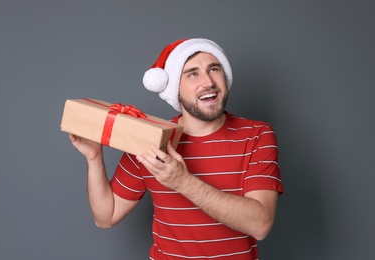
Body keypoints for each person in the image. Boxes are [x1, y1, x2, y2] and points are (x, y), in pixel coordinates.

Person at [69, 38, 284, 259]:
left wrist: (183, 182)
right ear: (175, 88)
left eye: (214, 69)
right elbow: (106, 217)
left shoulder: (257, 134)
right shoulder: (150, 139)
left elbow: (260, 224)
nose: (208, 81)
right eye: (192, 73)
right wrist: (94, 158)